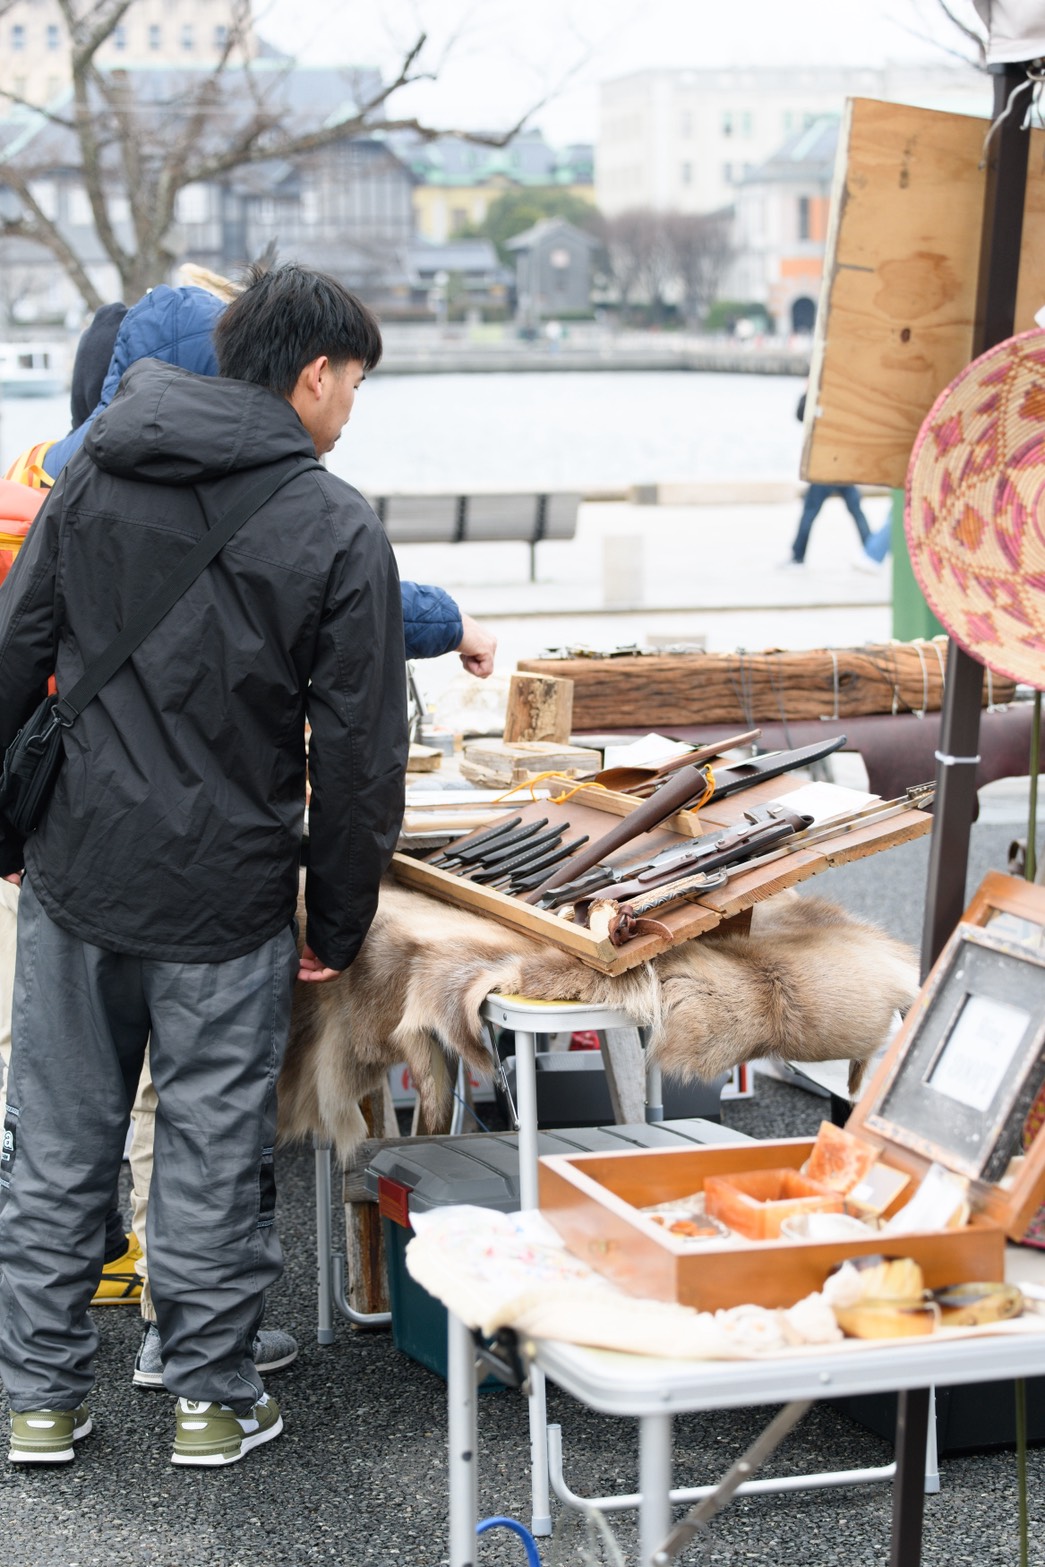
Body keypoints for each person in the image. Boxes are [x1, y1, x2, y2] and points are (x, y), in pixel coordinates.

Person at [0, 261, 409, 1467]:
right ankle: (209, 1398)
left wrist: (10, 840)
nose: (350, 410)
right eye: (354, 385)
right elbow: (360, 761)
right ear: (315, 374)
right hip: (227, 894)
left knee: (57, 1138)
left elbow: (15, 660)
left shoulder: (95, 477)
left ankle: (38, 1399)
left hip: (79, 874)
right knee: (209, 1144)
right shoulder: (336, 524)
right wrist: (334, 916)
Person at [784, 392, 871, 566]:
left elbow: (801, 415)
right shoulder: (843, 394)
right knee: (855, 510)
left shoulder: (820, 395)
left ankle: (797, 556)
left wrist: (809, 392)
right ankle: (872, 551)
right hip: (840, 464)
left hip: (827, 466)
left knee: (810, 512)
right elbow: (801, 416)